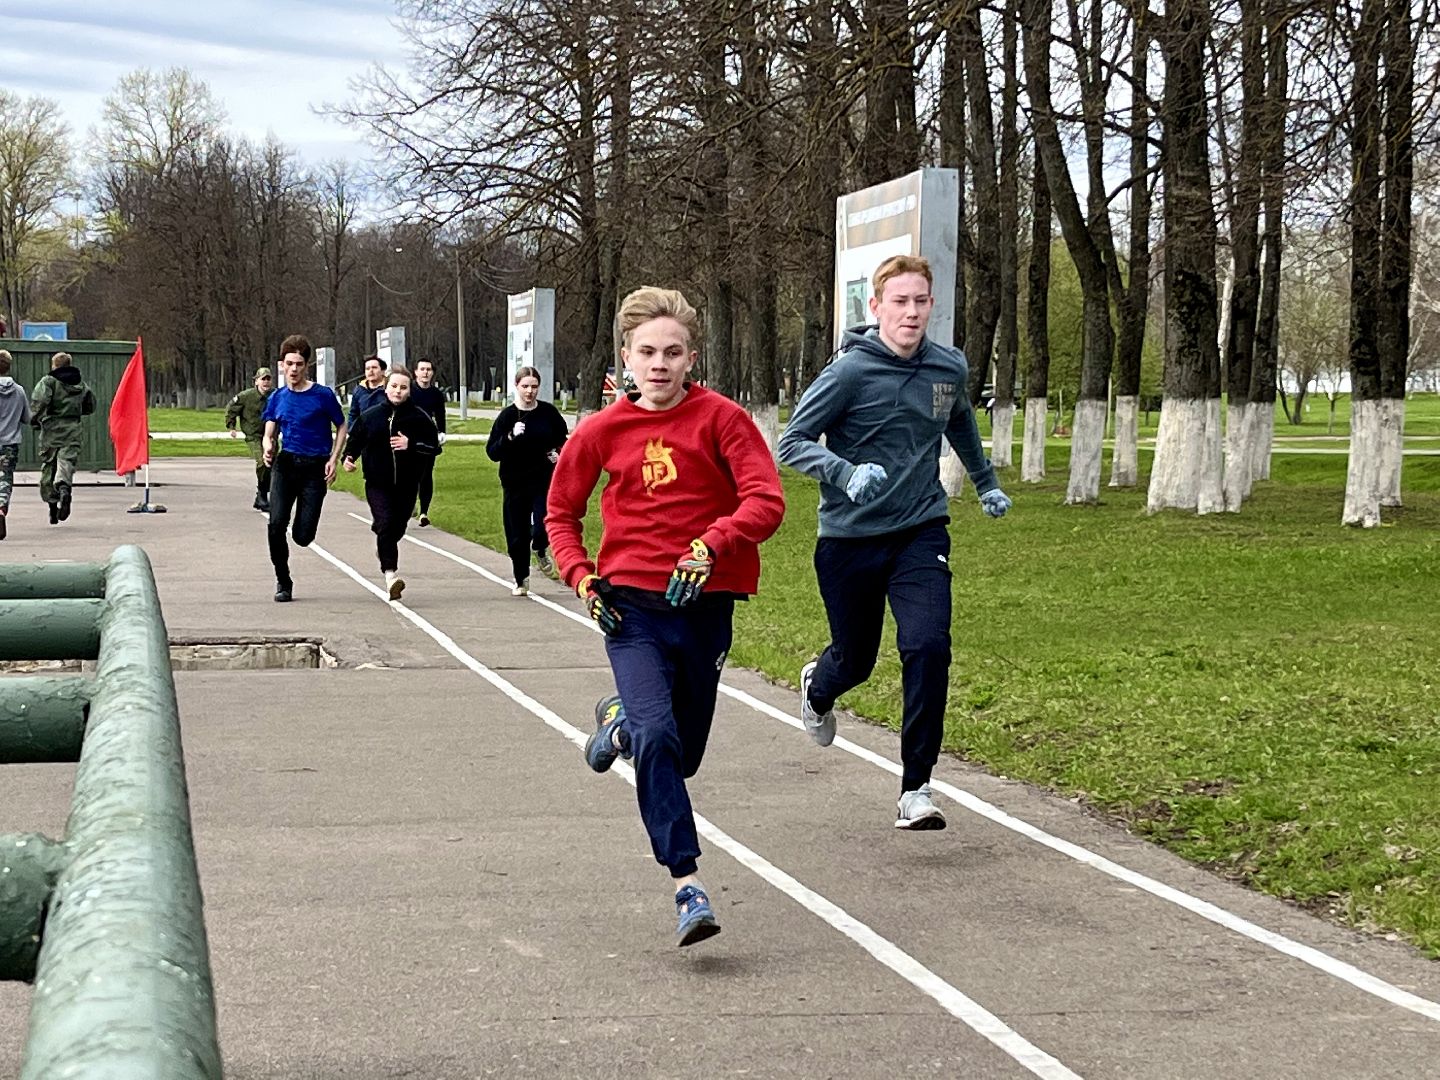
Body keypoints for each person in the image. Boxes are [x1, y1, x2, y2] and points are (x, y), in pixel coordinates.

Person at [546, 286, 785, 947]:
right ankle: (687, 884)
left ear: (691, 357)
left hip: (702, 606)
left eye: (672, 352)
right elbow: (560, 514)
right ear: (625, 357)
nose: (659, 364)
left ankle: (617, 724)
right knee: (660, 739)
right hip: (631, 611)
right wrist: (580, 576)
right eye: (646, 352)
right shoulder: (599, 432)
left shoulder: (724, 420)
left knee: (682, 755)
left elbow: (767, 501)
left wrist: (713, 544)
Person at [777, 254, 1013, 831]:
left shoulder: (947, 366)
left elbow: (957, 419)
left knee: (928, 645)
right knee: (855, 661)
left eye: (921, 301)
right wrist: (844, 472)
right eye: (899, 301)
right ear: (877, 307)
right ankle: (820, 683)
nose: (911, 312)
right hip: (849, 539)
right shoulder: (850, 373)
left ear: (932, 305)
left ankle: (917, 788)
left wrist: (984, 483)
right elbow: (792, 442)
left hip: (920, 529)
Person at [261, 335, 347, 603]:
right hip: (286, 464)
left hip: (314, 468)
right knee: (275, 524)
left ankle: (302, 529)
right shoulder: (278, 397)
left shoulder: (322, 396)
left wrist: (334, 458)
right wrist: (267, 446)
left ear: (306, 365)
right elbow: (269, 431)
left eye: (299, 363)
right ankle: (283, 580)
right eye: (289, 364)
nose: (294, 369)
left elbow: (342, 426)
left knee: (302, 536)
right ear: (281, 365)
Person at [342, 367, 439, 601]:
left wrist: (411, 443)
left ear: (409, 390)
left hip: (407, 484)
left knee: (396, 528)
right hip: (378, 482)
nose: (398, 391)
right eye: (394, 386)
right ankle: (391, 576)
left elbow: (434, 447)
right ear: (386, 388)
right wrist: (349, 458)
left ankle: (383, 544)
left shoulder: (419, 418)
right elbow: (356, 440)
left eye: (403, 387)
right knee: (385, 523)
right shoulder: (371, 416)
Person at [486, 365, 568, 595]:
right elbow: (492, 452)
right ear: (516, 386)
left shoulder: (548, 413)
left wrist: (558, 453)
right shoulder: (507, 417)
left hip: (543, 479)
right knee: (516, 534)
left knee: (543, 524)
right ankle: (521, 579)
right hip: (514, 482)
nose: (530, 391)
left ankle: (540, 548)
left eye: (534, 387)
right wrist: (510, 437)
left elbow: (563, 440)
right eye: (525, 387)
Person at [30, 351, 96, 525]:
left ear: (55, 365)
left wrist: (34, 419)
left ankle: (52, 508)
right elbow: (90, 405)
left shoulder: (49, 381)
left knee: (49, 467)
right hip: (73, 429)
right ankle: (64, 488)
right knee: (66, 463)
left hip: (51, 430)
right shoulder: (81, 384)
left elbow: (40, 402)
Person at [226, 366, 275, 511]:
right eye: (263, 379)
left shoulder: (275, 395)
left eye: (268, 379)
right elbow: (231, 408)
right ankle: (262, 495)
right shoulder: (246, 396)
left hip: (271, 435)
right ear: (256, 382)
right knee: (262, 461)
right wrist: (232, 426)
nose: (266, 382)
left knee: (272, 464)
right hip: (254, 436)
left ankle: (261, 496)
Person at [408, 357, 447, 527]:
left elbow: (440, 414)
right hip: (409, 437)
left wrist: (442, 432)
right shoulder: (409, 390)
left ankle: (424, 512)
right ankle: (409, 505)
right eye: (422, 369)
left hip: (428, 438)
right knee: (410, 474)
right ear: (415, 372)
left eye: (428, 370)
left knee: (426, 474)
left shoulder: (436, 394)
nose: (425, 373)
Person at [0, 349, 32, 540]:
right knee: (5, 478)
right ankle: (1, 508)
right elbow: (27, 417)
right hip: (10, 443)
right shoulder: (18, 391)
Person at [347, 355, 387, 429]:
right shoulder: (359, 390)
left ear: (382, 371)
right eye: (367, 368)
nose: (371, 371)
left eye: (374, 368)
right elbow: (353, 414)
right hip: (364, 434)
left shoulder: (389, 388)